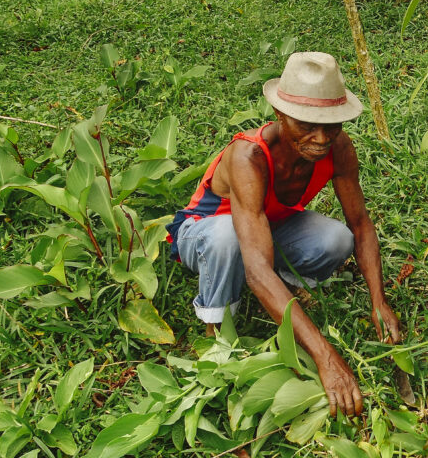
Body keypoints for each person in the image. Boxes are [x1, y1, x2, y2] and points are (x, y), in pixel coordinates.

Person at [165, 51, 401, 417]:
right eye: (307, 123)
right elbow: (256, 268)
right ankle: (217, 328)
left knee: (338, 239)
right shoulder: (248, 156)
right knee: (230, 238)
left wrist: (378, 301)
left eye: (331, 124)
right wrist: (326, 357)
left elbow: (361, 224)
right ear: (280, 114)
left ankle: (284, 285)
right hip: (206, 232)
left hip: (268, 227)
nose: (321, 137)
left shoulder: (337, 148)